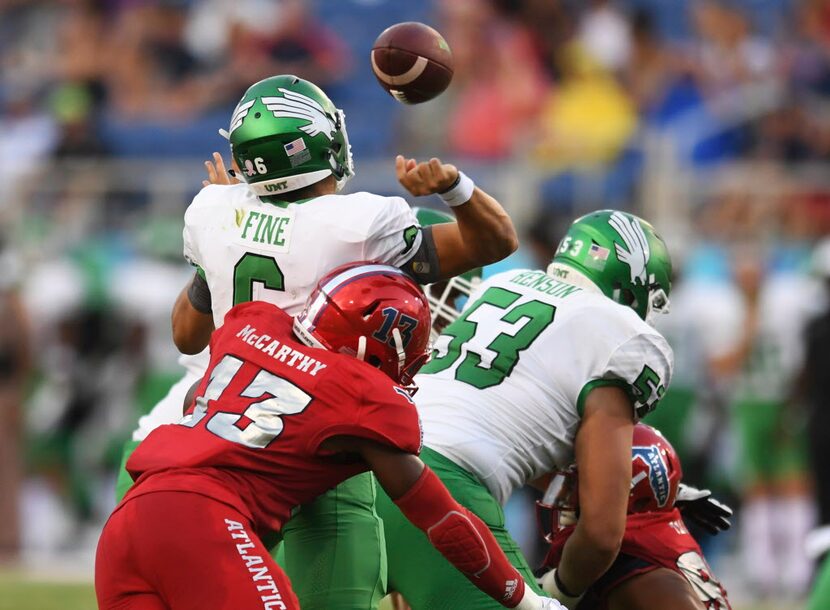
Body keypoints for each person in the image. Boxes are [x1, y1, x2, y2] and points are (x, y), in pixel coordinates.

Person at [115, 74, 518, 609]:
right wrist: (453, 189)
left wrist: (216, 253)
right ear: (316, 143)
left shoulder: (212, 211)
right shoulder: (359, 222)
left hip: (229, 443)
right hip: (326, 444)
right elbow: (495, 242)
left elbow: (186, 337)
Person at [96, 264, 561, 610]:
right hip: (206, 523)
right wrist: (526, 601)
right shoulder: (362, 394)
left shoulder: (252, 325)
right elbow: (442, 519)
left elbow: (194, 401)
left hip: (128, 520)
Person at [376, 209, 674, 608]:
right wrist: (561, 587)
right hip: (440, 491)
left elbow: (499, 420)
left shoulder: (506, 282)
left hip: (364, 464)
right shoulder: (620, 334)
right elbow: (602, 535)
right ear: (634, 287)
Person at [537, 423, 732, 610]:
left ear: (629, 496)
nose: (565, 496)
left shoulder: (643, 580)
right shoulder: (648, 537)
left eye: (581, 485)